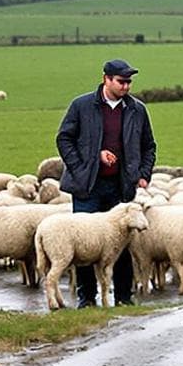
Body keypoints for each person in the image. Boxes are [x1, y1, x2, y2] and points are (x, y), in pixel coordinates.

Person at [54, 58, 156, 304]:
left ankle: (123, 296)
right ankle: (86, 298)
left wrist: (142, 174)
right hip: (87, 186)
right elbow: (64, 139)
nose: (126, 87)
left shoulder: (136, 109)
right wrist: (85, 165)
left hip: (120, 186)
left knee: (121, 245)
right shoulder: (82, 106)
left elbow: (148, 146)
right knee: (85, 243)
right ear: (106, 79)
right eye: (121, 82)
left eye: (129, 82)